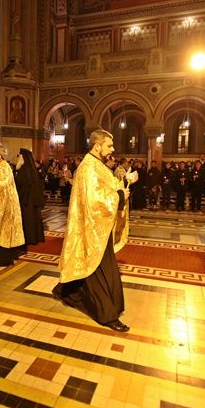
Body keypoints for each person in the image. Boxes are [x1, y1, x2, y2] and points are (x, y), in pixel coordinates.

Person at [53, 129, 137, 332]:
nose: (113, 149)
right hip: (92, 228)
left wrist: (125, 181)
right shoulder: (88, 167)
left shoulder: (97, 165)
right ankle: (106, 314)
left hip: (98, 227)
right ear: (97, 145)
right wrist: (120, 195)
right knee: (98, 267)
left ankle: (66, 291)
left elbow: (109, 187)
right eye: (109, 145)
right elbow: (95, 200)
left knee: (92, 265)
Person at [14, 148, 45, 247]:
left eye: (19, 156)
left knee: (27, 219)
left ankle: (28, 238)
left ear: (23, 158)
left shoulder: (23, 170)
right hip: (31, 200)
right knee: (32, 218)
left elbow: (19, 184)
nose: (18, 158)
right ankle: (34, 237)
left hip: (26, 200)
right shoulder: (32, 169)